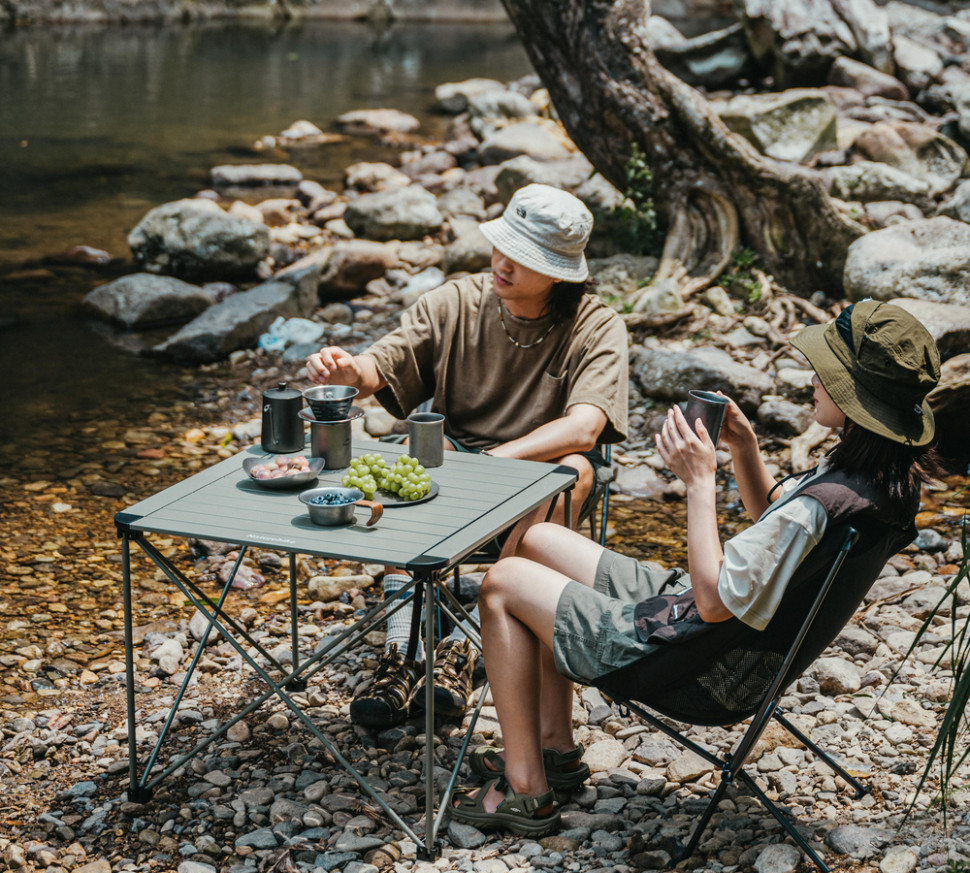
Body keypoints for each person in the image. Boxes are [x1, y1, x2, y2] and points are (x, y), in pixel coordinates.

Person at [448, 300, 941, 836]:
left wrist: (699, 482)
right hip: (730, 644)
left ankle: (525, 788)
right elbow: (776, 524)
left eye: (827, 373)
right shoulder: (878, 483)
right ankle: (554, 746)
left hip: (697, 667)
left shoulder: (821, 506)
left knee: (502, 583)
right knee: (539, 541)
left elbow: (712, 600)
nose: (813, 380)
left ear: (856, 399)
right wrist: (744, 447)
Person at [305, 183, 629, 729]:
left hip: (535, 479)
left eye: (524, 257)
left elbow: (585, 426)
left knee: (573, 470)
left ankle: (465, 644)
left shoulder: (596, 325)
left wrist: (497, 461)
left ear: (559, 274)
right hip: (454, 463)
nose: (503, 263)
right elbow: (381, 363)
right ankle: (401, 651)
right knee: (407, 454)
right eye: (503, 246)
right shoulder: (457, 301)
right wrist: (347, 371)